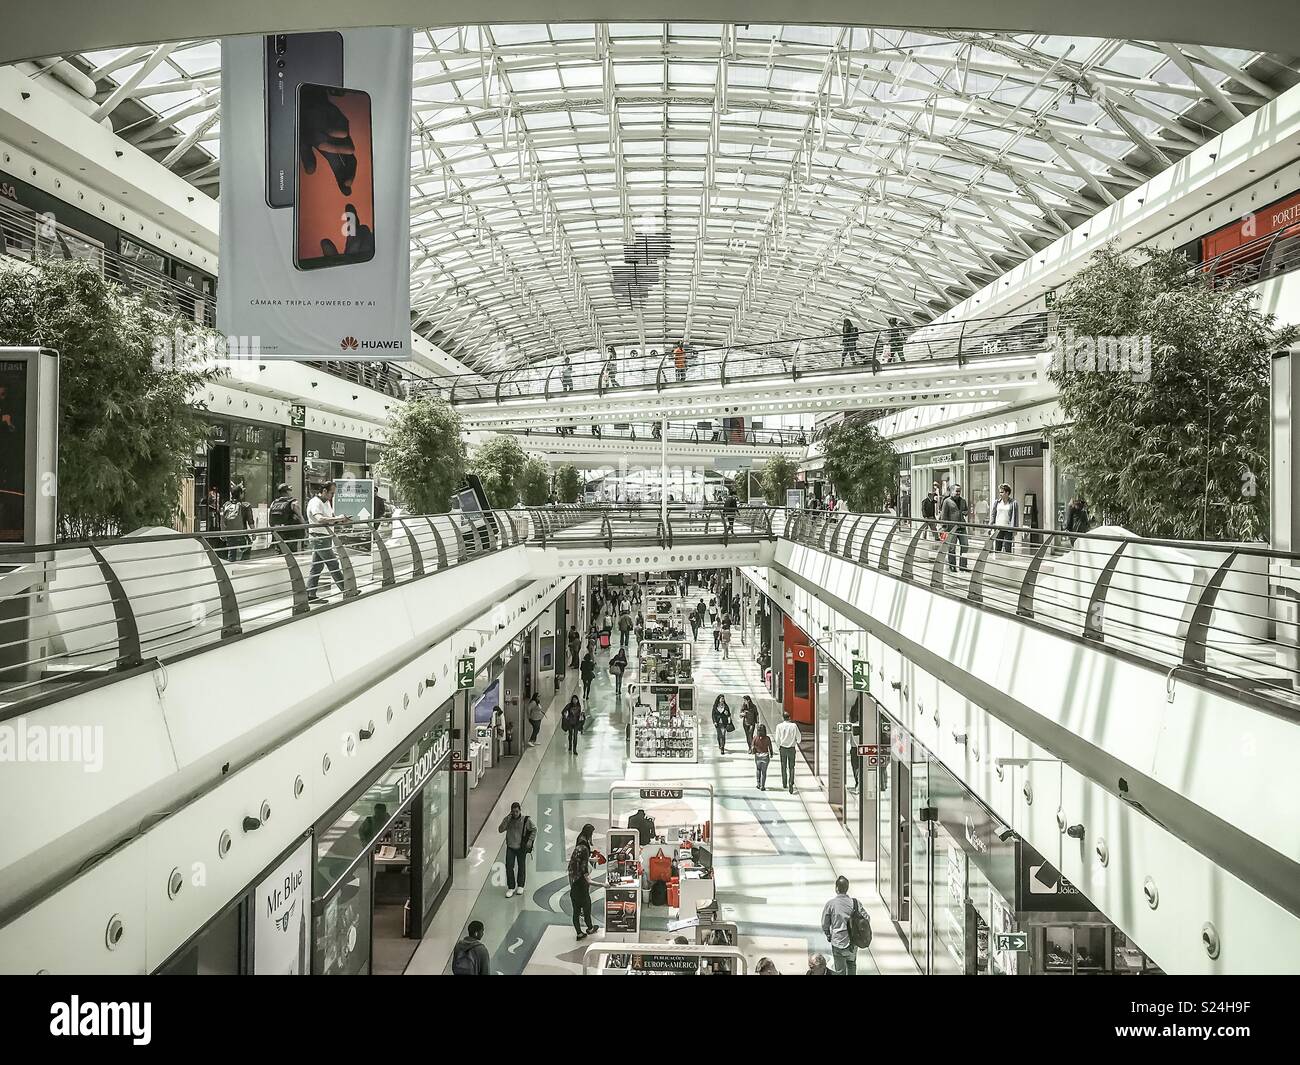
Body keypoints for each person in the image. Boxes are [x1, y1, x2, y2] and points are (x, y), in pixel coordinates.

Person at [306, 481, 351, 602]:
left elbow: (329, 519)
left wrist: (340, 521)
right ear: (324, 491)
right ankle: (347, 590)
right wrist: (337, 518)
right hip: (319, 537)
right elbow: (320, 519)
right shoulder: (316, 502)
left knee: (316, 567)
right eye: (331, 493)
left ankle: (310, 594)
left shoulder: (326, 502)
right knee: (333, 564)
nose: (333, 496)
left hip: (324, 537)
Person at [822, 875, 870, 976]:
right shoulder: (856, 903)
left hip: (838, 942)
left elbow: (825, 924)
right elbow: (866, 918)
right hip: (853, 942)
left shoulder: (830, 904)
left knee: (840, 971)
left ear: (836, 888)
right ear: (847, 888)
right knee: (852, 964)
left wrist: (828, 934)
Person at [568, 823, 601, 940]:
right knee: (587, 907)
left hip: (574, 883)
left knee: (576, 912)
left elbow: (578, 861)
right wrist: (603, 884)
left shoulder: (579, 841)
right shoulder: (585, 848)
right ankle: (590, 928)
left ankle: (579, 933)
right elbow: (584, 868)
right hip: (581, 884)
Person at [497, 802, 537, 898]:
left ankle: (520, 885)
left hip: (520, 847)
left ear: (520, 810)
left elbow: (534, 829)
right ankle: (511, 887)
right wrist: (506, 819)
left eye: (517, 811)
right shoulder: (508, 820)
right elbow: (500, 829)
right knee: (509, 866)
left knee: (521, 866)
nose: (515, 813)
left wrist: (530, 841)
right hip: (510, 846)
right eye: (513, 812)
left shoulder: (526, 820)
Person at [219, 484, 254, 563]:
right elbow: (250, 521)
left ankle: (231, 566)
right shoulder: (245, 506)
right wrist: (253, 533)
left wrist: (223, 533)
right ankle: (244, 564)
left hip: (230, 533)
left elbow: (222, 520)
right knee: (247, 547)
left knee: (232, 552)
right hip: (241, 533)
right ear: (240, 494)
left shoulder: (226, 505)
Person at [940, 483, 971, 573]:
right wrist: (944, 529)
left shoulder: (963, 501)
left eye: (959, 491)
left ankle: (963, 565)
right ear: (951, 491)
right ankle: (952, 566)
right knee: (952, 548)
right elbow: (944, 515)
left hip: (962, 527)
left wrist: (965, 512)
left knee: (965, 546)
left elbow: (966, 510)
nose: (958, 493)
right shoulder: (947, 501)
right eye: (956, 491)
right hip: (951, 529)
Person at [268, 482, 306, 552]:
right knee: (291, 553)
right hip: (291, 533)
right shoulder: (293, 502)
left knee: (280, 553)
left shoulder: (274, 503)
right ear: (287, 491)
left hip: (278, 532)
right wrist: (305, 528)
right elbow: (300, 517)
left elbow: (270, 518)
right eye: (289, 490)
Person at [775, 710, 801, 794]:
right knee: (791, 767)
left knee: (783, 766)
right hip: (791, 748)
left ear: (783, 717)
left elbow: (777, 739)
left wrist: (779, 746)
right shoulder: (794, 726)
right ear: (789, 717)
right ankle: (791, 782)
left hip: (783, 748)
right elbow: (799, 737)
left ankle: (784, 783)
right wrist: (797, 741)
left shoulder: (779, 726)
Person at [991, 482, 1020, 554]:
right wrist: (990, 526)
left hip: (1008, 528)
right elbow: (993, 514)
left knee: (1008, 547)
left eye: (1002, 492)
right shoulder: (997, 502)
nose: (1000, 494)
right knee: (997, 547)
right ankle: (998, 562)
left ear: (1007, 493)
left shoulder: (1013, 503)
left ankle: (1008, 562)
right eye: (1000, 492)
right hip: (998, 527)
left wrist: (1015, 529)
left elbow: (1015, 517)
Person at [752, 722, 773, 790]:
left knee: (758, 769)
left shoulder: (755, 738)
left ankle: (758, 783)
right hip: (765, 756)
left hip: (758, 756)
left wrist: (754, 751)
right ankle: (762, 786)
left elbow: (752, 746)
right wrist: (771, 754)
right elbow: (770, 747)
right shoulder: (767, 738)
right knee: (764, 772)